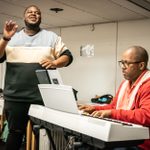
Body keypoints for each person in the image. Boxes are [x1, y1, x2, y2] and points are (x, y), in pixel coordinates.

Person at [0, 5, 73, 150]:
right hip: (15, 98)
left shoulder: (51, 37)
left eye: (37, 12)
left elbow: (68, 56)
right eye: (30, 12)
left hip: (42, 98)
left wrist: (55, 62)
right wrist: (5, 38)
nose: (33, 14)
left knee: (44, 136)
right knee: (15, 135)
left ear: (40, 17)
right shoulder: (11, 38)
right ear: (24, 17)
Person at [79, 46, 150, 150]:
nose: (123, 67)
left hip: (141, 143)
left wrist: (112, 113)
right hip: (125, 136)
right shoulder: (125, 83)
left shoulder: (147, 84)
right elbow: (113, 106)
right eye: (122, 62)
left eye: (126, 63)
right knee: (87, 143)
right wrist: (94, 109)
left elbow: (146, 115)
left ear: (141, 65)